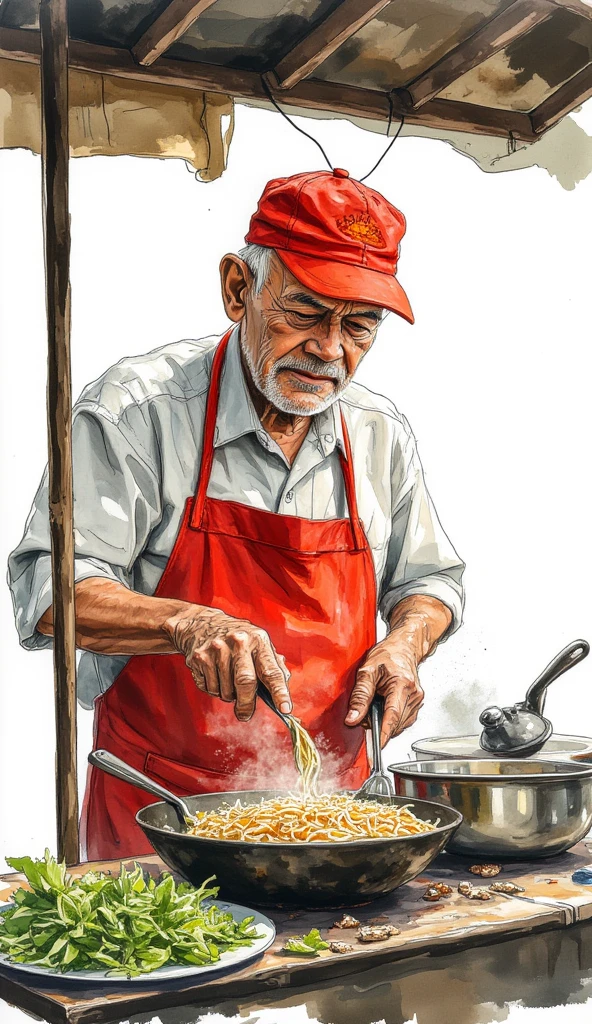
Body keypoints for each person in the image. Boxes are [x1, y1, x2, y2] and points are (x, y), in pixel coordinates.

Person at [8, 168, 464, 859]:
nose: (331, 350)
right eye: (307, 311)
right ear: (237, 288)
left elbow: (431, 583)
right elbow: (50, 597)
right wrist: (187, 621)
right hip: (160, 814)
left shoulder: (378, 434)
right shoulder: (138, 412)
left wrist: (405, 644)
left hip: (337, 821)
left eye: (360, 327)